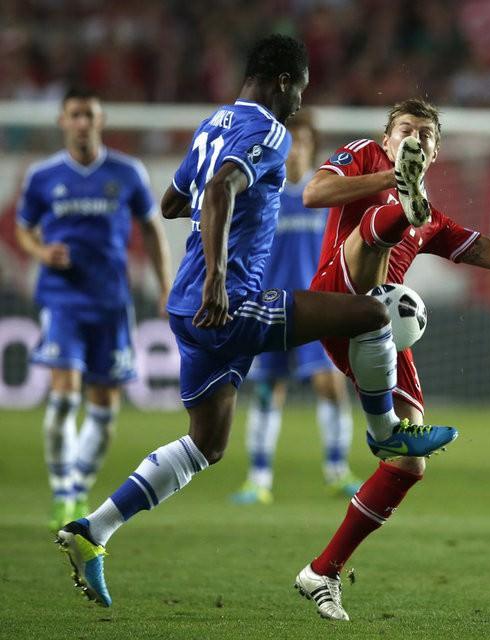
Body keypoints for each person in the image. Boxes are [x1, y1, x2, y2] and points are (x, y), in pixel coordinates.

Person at [54, 36, 457, 609]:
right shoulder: (270, 131)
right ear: (284, 82)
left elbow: (173, 202)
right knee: (372, 313)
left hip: (186, 305)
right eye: (302, 90)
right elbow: (221, 187)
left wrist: (214, 245)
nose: (300, 103)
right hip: (228, 302)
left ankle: (92, 530)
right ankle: (386, 431)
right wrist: (219, 279)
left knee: (206, 444)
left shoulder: (214, 123)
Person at [293, 98, 490, 620]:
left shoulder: (432, 222)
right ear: (387, 140)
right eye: (405, 129)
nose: (415, 137)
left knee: (409, 462)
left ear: (436, 152)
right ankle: (396, 209)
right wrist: (391, 179)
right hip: (336, 296)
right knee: (372, 239)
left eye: (426, 134)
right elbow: (313, 193)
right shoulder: (364, 155)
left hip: (378, 330)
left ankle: (322, 571)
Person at [15, 88, 172, 532]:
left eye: (90, 114)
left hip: (111, 302)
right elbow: (24, 228)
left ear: (100, 121)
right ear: (63, 121)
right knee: (64, 396)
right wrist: (40, 252)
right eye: (75, 115)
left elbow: (152, 229)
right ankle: (62, 494)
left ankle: (78, 487)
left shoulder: (127, 172)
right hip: (62, 299)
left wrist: (165, 286)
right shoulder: (43, 176)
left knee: (104, 408)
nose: (83, 122)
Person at [231, 109, 360, 505]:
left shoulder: (324, 195)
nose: (295, 150)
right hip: (268, 308)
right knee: (268, 390)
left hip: (316, 307)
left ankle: (337, 471)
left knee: (330, 385)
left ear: (312, 147)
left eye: (302, 142)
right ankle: (258, 479)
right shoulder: (261, 194)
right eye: (289, 143)